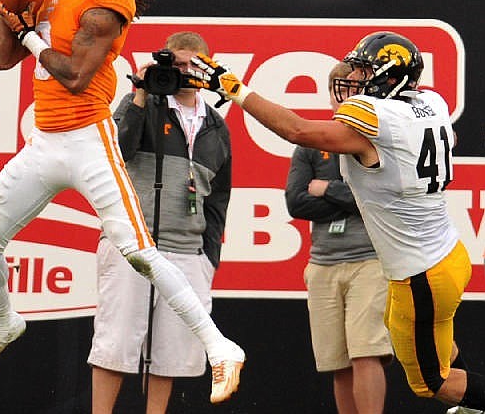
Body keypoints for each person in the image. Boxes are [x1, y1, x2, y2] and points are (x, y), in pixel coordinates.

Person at [0, 0, 245, 404]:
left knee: (138, 252)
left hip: (90, 139)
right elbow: (1, 59)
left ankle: (221, 347)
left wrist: (30, 31)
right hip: (45, 142)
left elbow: (73, 75)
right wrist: (8, 6)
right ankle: (5, 321)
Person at [191, 31, 485, 411]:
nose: (355, 79)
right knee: (440, 346)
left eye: (364, 72)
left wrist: (237, 90)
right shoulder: (430, 101)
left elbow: (298, 130)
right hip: (445, 255)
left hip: (420, 273)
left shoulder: (383, 119)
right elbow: (448, 139)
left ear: (390, 78)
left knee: (434, 382)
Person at [88, 32, 232, 413]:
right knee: (114, 346)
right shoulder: (143, 103)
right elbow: (116, 149)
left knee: (170, 353)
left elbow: (218, 197)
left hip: (188, 252)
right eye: (177, 64)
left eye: (191, 65)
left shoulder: (216, 125)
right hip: (133, 245)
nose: (183, 72)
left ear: (207, 65)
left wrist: (208, 255)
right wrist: (139, 91)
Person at [285, 61, 393, 414]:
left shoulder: (382, 139)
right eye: (343, 89)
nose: (349, 95)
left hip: (370, 260)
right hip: (323, 262)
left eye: (358, 88)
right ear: (332, 94)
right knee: (337, 361)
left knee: (366, 353)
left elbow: (382, 198)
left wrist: (327, 188)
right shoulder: (311, 143)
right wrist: (349, 198)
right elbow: (296, 201)